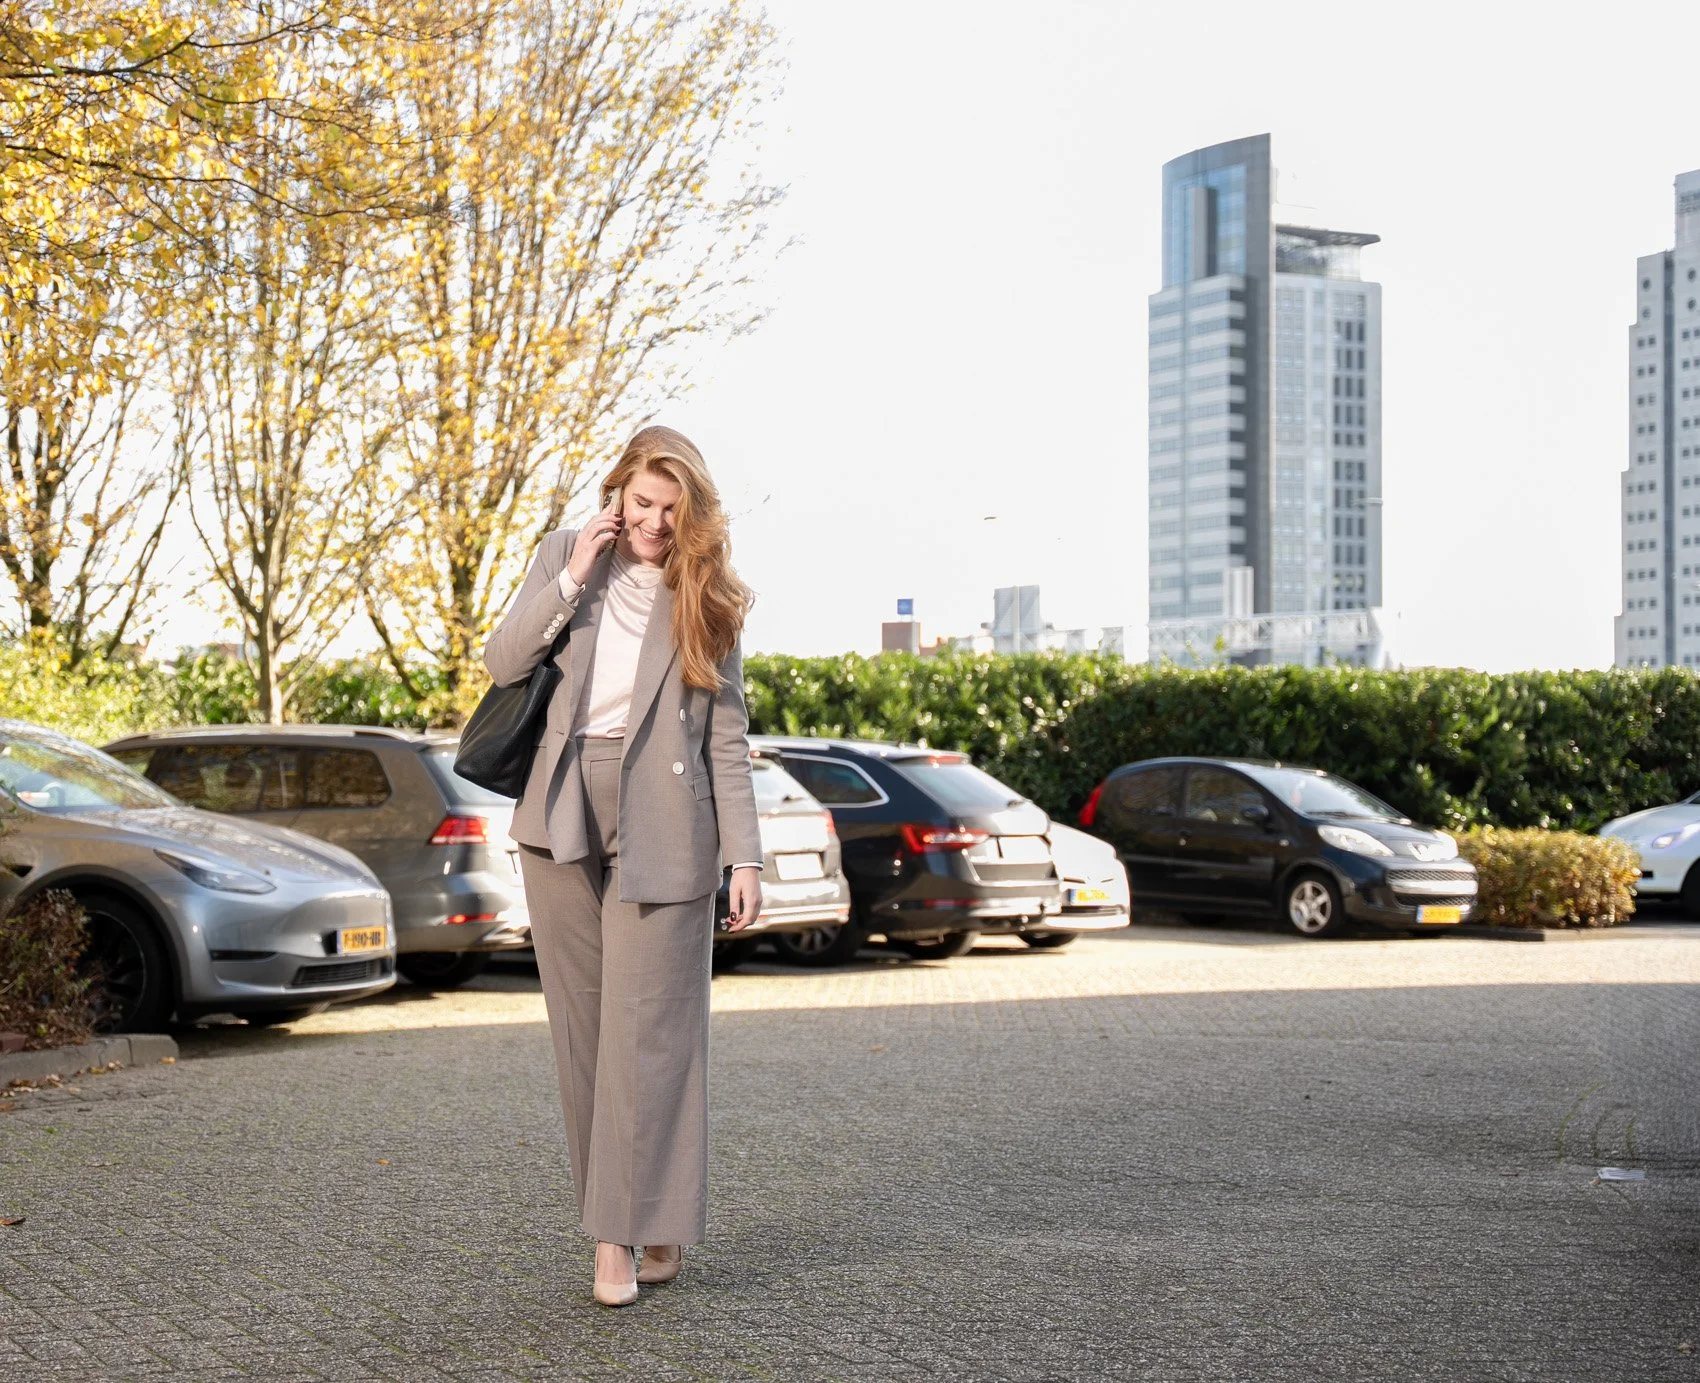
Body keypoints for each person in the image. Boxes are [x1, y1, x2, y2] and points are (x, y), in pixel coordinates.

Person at [482, 425, 763, 1307]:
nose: (652, 523)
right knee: (585, 1035)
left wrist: (744, 855)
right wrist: (571, 576)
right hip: (561, 808)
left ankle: (627, 1235)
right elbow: (502, 660)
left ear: (695, 516)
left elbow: (728, 736)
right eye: (641, 504)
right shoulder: (568, 556)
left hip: (671, 822)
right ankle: (627, 1224)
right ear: (617, 495)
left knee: (654, 1037)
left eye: (671, 511)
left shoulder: (709, 599)